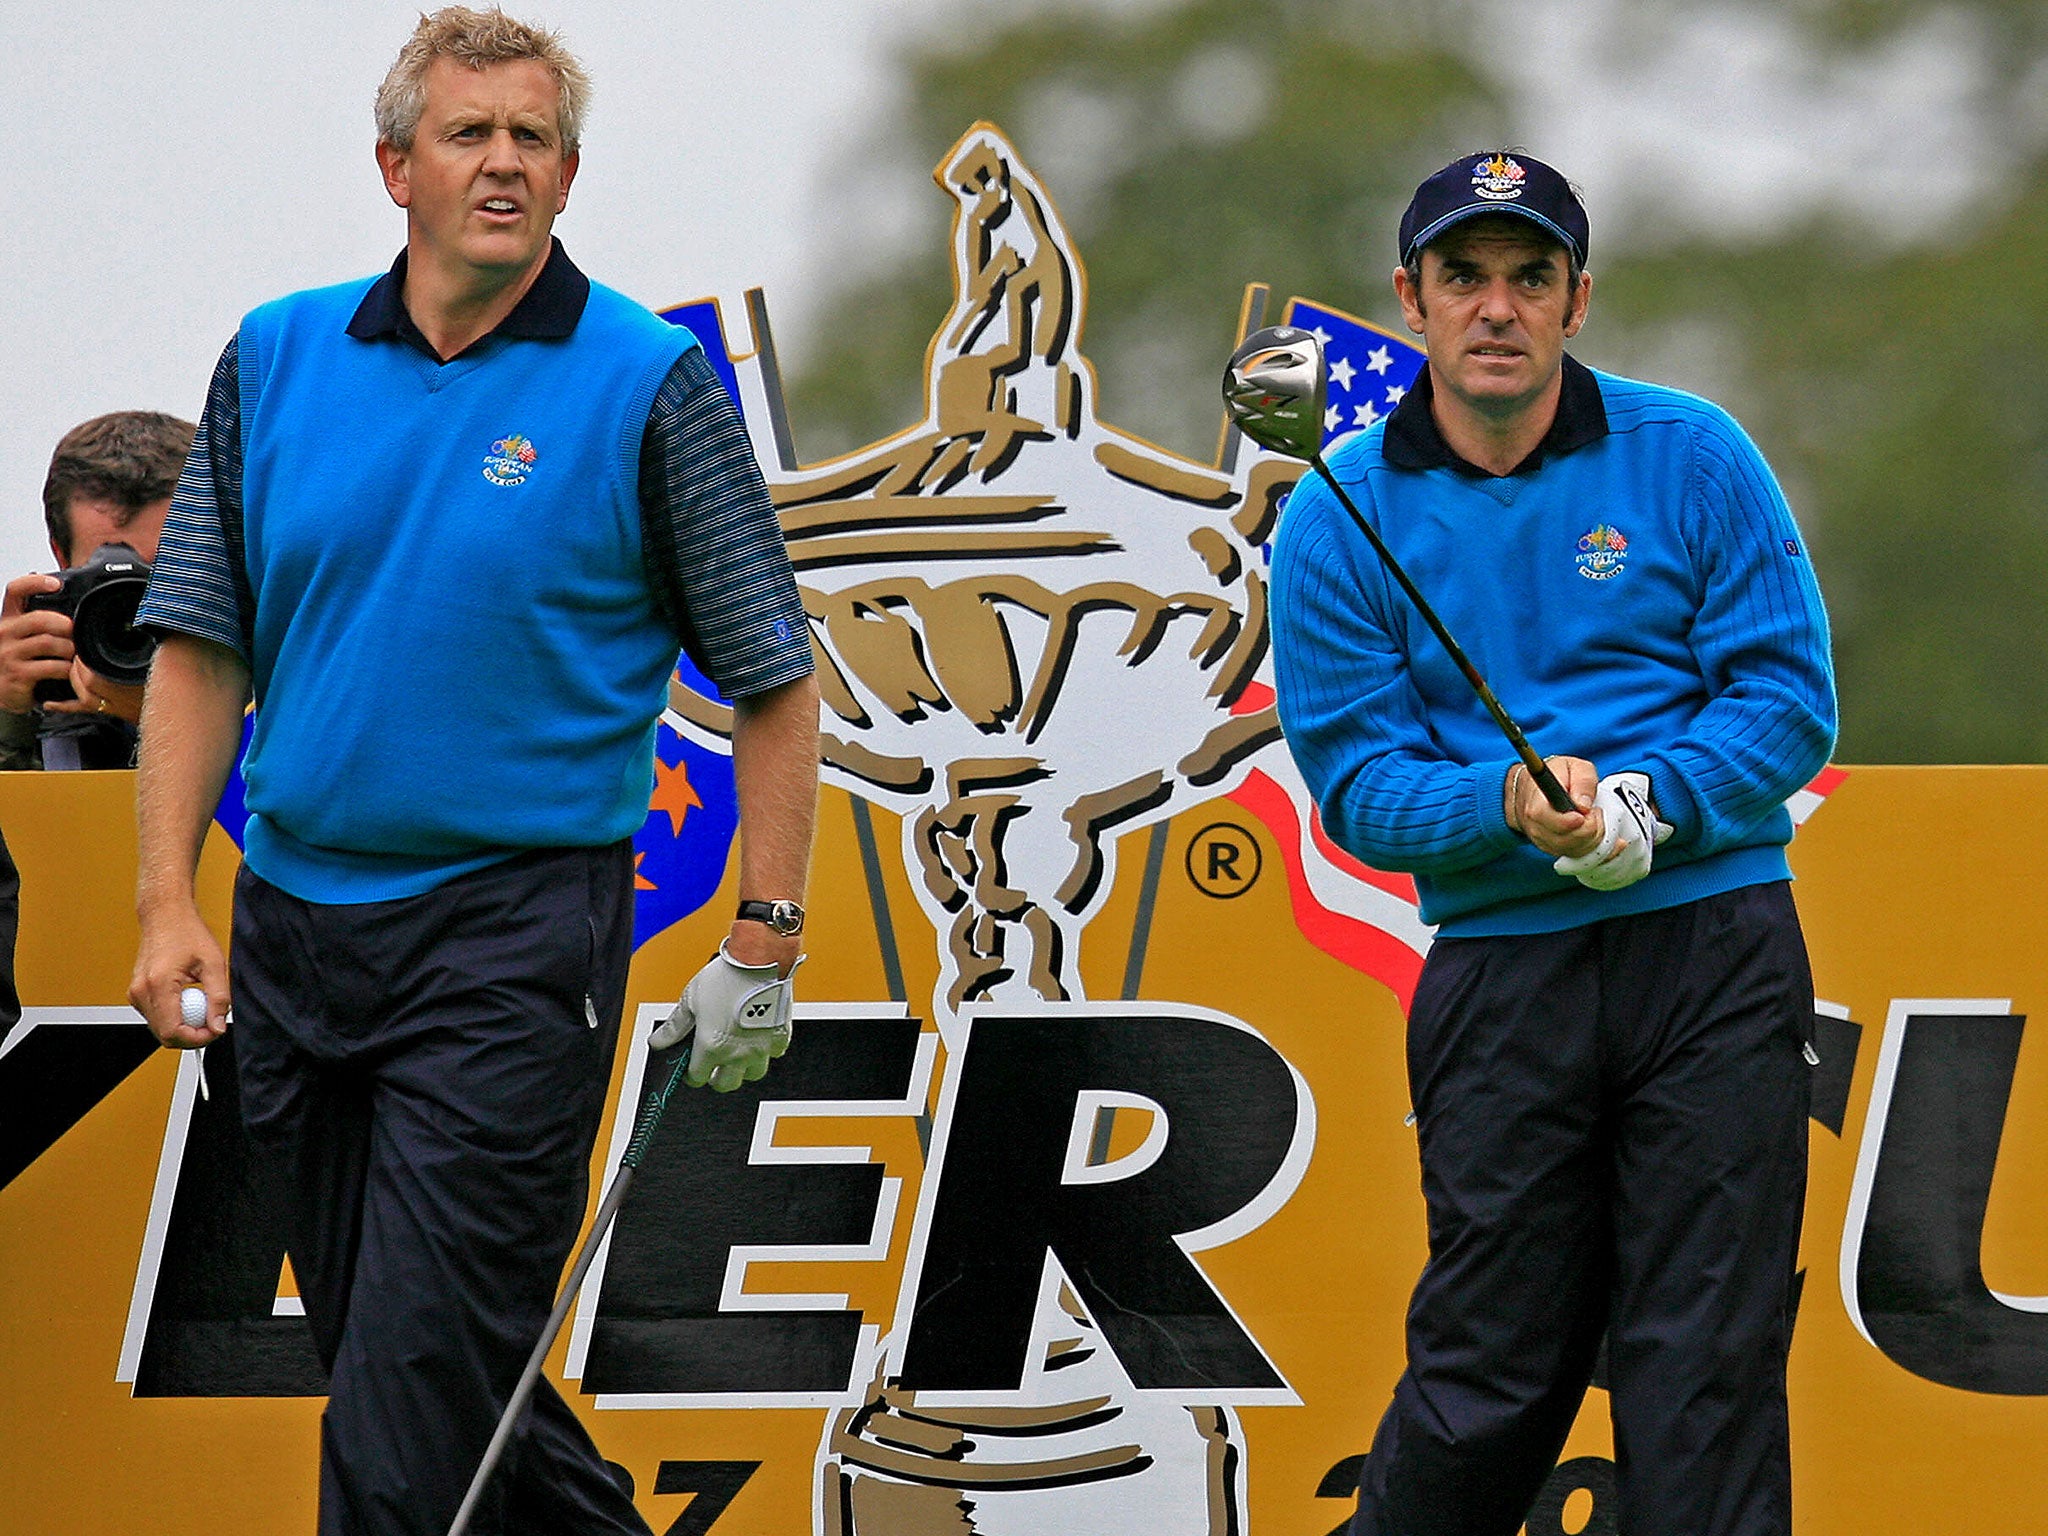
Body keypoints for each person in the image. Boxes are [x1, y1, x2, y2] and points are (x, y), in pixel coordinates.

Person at [126, 9, 819, 1534]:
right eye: (468, 133)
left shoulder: (647, 382)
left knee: (413, 1382)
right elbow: (197, 643)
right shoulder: (278, 352)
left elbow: (773, 676)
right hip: (294, 930)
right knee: (420, 1369)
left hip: (512, 942)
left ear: (570, 175)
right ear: (397, 166)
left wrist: (767, 935)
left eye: (534, 139)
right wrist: (168, 900)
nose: (503, 162)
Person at [1268, 151, 1835, 1536]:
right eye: (1466, 277)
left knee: (1703, 1370)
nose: (1499, 307)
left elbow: (1787, 698)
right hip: (1504, 974)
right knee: (1490, 1378)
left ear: (1580, 299)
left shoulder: (1691, 453)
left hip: (1712, 949)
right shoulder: (1336, 511)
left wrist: (1653, 803)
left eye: (1533, 277)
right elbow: (1357, 784)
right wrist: (1501, 810)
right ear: (1412, 300)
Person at [0, 411, 194, 769]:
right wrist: (9, 716)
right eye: (108, 575)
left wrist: (181, 718)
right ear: (61, 557)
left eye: (163, 570)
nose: (140, 610)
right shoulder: (43, 679)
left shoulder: (283, 678)